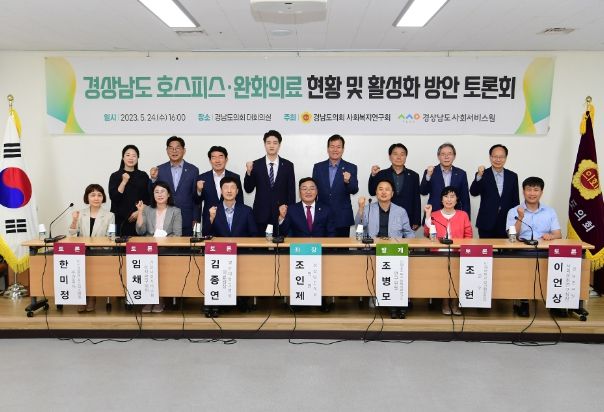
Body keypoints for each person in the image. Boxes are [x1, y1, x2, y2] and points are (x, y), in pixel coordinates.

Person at [356, 179, 415, 319]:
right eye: (380, 189)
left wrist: (410, 244)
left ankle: (397, 302)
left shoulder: (400, 211)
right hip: (374, 249)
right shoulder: (368, 208)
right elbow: (359, 225)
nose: (383, 192)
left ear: (392, 193)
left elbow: (408, 232)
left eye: (387, 189)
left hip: (394, 249)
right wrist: (361, 208)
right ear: (376, 192)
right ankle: (391, 303)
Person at [506, 176, 561, 317]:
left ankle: (555, 302)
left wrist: (551, 236)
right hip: (522, 252)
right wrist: (520, 218)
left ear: (541, 192)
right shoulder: (514, 211)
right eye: (529, 190)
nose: (532, 193)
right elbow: (512, 236)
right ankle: (523, 301)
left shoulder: (550, 211)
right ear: (523, 191)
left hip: (544, 251)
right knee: (522, 266)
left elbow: (558, 234)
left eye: (536, 190)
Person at [423, 186, 473, 316]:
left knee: (458, 276)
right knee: (444, 275)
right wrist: (428, 216)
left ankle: (455, 303)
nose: (449, 199)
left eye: (452, 196)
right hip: (438, 253)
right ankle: (445, 302)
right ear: (441, 200)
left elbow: (468, 236)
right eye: (446, 196)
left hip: (458, 253)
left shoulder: (463, 215)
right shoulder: (434, 215)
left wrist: (463, 251)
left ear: (457, 200)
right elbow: (427, 233)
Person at [135, 181, 182, 313]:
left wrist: (163, 241)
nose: (160, 194)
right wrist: (140, 212)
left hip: (167, 248)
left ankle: (160, 299)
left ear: (168, 194)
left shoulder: (175, 211)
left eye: (162, 192)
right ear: (153, 194)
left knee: (160, 265)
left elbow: (177, 235)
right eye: (156, 192)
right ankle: (148, 299)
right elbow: (140, 231)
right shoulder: (147, 210)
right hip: (148, 249)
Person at [68, 184, 115, 312]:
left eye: (99, 195)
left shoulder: (109, 215)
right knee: (80, 269)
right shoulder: (80, 213)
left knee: (93, 269)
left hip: (101, 251)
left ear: (103, 198)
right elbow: (72, 234)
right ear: (87, 197)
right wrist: (74, 220)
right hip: (82, 251)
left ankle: (92, 297)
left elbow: (111, 237)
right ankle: (82, 297)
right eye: (93, 195)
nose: (96, 198)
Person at [244, 130, 296, 235]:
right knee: (260, 244)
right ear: (264, 144)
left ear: (279, 145)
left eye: (275, 143)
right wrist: (248, 172)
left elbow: (291, 192)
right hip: (260, 214)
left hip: (281, 215)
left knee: (281, 243)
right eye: (268, 143)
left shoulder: (288, 165)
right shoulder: (256, 165)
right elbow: (248, 189)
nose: (271, 146)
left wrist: (289, 213)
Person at [150, 136, 199, 236]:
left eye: (177, 148)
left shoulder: (193, 170)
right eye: (171, 148)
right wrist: (153, 179)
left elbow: (196, 197)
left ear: (184, 150)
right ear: (167, 150)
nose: (174, 151)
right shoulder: (159, 169)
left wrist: (196, 218)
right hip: (165, 220)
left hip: (187, 218)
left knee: (186, 246)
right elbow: (152, 193)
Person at [312, 134, 358, 237]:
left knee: (342, 247)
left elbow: (354, 189)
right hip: (321, 216)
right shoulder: (318, 167)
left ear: (343, 149)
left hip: (342, 217)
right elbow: (314, 191)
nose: (335, 150)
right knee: (322, 246)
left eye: (338, 147)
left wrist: (347, 181)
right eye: (332, 146)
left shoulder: (351, 167)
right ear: (328, 149)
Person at [470, 144, 519, 238]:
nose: (498, 159)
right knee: (486, 247)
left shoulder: (512, 176)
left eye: (501, 157)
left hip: (506, 223)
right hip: (486, 222)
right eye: (495, 156)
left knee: (506, 248)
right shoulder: (483, 174)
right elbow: (473, 192)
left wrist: (515, 222)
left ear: (506, 158)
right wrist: (479, 176)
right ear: (490, 157)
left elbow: (515, 200)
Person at [368, 143, 421, 230]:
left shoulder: (414, 176)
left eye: (402, 154)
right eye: (395, 154)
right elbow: (372, 191)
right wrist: (373, 175)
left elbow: (416, 199)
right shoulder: (382, 174)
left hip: (407, 217)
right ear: (390, 157)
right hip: (385, 216)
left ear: (406, 157)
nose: (399, 157)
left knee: (406, 239)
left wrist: (416, 220)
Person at [108, 145, 150, 236]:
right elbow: (114, 198)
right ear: (123, 158)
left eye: (134, 155)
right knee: (115, 243)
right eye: (128, 155)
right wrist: (123, 182)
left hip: (138, 219)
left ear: (137, 158)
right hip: (118, 220)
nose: (131, 158)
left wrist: (139, 212)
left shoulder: (143, 176)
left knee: (138, 244)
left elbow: (149, 199)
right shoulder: (115, 176)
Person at [420, 142, 471, 217]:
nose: (446, 157)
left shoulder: (461, 174)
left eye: (449, 154)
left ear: (454, 156)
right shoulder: (430, 172)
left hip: (455, 216)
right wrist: (428, 176)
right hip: (434, 214)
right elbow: (423, 192)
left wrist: (466, 218)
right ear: (438, 156)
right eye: (443, 154)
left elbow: (465, 199)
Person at [196, 146, 243, 225]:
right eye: (214, 157)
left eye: (220, 157)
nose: (217, 160)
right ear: (210, 160)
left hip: (230, 220)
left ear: (226, 159)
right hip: (209, 220)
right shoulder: (202, 178)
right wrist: (199, 191)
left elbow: (240, 201)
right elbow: (197, 202)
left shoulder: (235, 177)